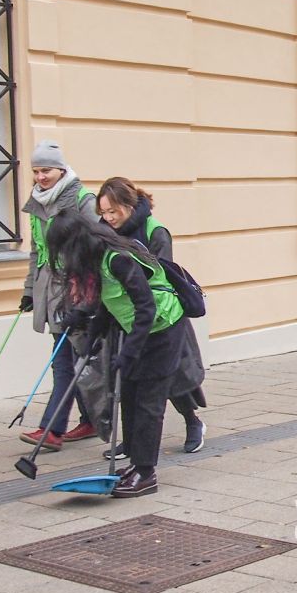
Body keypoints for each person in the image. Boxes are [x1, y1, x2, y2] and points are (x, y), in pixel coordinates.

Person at [45, 211, 190, 497]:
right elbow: (108, 304)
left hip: (163, 329)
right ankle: (136, 464)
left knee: (149, 402)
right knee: (131, 397)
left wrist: (129, 353)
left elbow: (146, 307)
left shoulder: (118, 259)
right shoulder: (97, 260)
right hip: (140, 330)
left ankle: (146, 474)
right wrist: (89, 330)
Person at [96, 177, 207, 457]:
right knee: (131, 380)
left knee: (171, 378)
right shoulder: (106, 232)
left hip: (161, 318)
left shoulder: (154, 231)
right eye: (104, 213)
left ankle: (192, 422)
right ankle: (132, 440)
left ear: (129, 206)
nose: (108, 218)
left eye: (113, 212)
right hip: (126, 317)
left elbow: (160, 278)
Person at [18, 141, 99, 451]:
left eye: (46, 170)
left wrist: (86, 297)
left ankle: (52, 429)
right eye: (36, 171)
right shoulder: (37, 201)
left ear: (62, 170)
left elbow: (98, 247)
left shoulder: (81, 200)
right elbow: (37, 251)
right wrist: (28, 292)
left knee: (63, 359)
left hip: (75, 290)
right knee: (71, 355)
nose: (40, 177)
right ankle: (91, 420)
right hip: (48, 291)